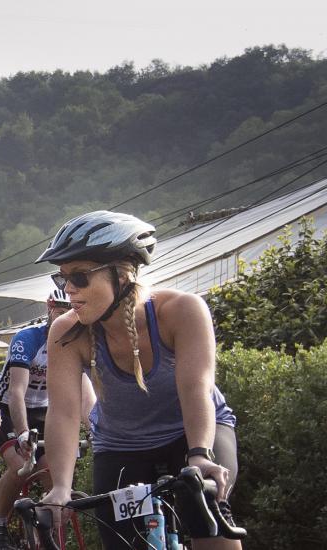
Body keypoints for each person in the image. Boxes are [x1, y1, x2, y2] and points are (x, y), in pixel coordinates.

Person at [33, 211, 241, 550]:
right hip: (122, 445)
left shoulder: (181, 310)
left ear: (123, 273)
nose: (68, 289)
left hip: (193, 432)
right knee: (124, 543)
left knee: (208, 523)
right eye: (62, 279)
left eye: (80, 277)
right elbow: (65, 413)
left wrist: (200, 454)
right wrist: (60, 486)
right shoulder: (67, 332)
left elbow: (195, 388)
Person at [0, 288, 97, 547]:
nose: (64, 314)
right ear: (48, 306)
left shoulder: (76, 340)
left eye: (70, 308)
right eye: (59, 307)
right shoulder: (28, 338)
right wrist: (22, 434)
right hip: (7, 407)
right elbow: (17, 392)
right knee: (21, 465)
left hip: (44, 410)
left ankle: (49, 537)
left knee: (56, 477)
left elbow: (85, 396)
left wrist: (96, 431)